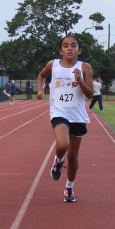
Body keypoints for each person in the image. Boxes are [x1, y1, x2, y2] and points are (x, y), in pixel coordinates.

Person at [36, 35, 94, 203]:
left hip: (77, 115)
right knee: (62, 145)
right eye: (66, 45)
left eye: (73, 45)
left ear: (79, 50)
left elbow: (90, 94)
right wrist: (40, 90)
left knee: (73, 156)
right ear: (61, 50)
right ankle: (58, 160)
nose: (70, 48)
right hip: (59, 111)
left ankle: (69, 187)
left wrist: (80, 80)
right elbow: (41, 75)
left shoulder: (85, 67)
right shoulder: (52, 65)